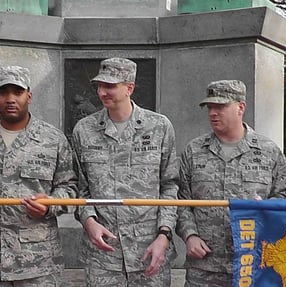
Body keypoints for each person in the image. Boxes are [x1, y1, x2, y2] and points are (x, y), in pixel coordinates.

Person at [72, 57, 178, 286]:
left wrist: (164, 235)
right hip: (103, 256)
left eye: (110, 86)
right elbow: (80, 187)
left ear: (129, 88)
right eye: (99, 86)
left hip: (149, 252)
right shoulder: (84, 130)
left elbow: (170, 185)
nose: (102, 92)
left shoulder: (159, 127)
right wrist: (88, 221)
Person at [176, 80, 286, 287]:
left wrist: (266, 211)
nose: (213, 113)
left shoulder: (268, 152)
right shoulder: (194, 150)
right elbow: (181, 200)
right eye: (210, 107)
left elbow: (285, 196)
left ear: (241, 107)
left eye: (220, 107)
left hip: (253, 263)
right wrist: (189, 235)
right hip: (205, 267)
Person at [0, 65, 77, 286]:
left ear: (29, 96)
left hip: (37, 261)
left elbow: (69, 186)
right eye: (3, 92)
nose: (10, 99)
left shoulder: (52, 139)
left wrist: (50, 203)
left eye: (17, 92)